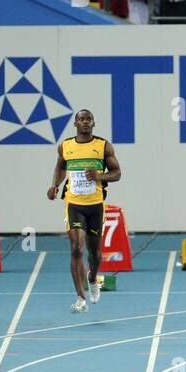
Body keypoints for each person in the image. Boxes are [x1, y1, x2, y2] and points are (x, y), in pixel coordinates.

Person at [47, 110, 122, 314]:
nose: (85, 122)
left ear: (93, 123)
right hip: (74, 203)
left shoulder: (103, 146)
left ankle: (92, 279)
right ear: (75, 124)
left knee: (94, 252)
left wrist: (99, 176)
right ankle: (80, 297)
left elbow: (117, 173)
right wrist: (54, 185)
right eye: (81, 119)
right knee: (76, 248)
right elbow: (60, 167)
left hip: (96, 204)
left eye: (89, 119)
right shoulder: (66, 146)